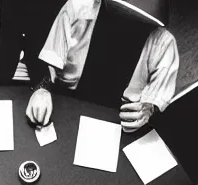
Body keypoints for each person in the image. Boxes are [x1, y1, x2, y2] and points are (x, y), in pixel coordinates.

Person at [28, 0, 178, 131]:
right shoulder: (78, 7)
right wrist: (42, 88)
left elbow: (158, 100)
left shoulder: (164, 43)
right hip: (66, 103)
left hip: (119, 120)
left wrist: (149, 109)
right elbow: (47, 60)